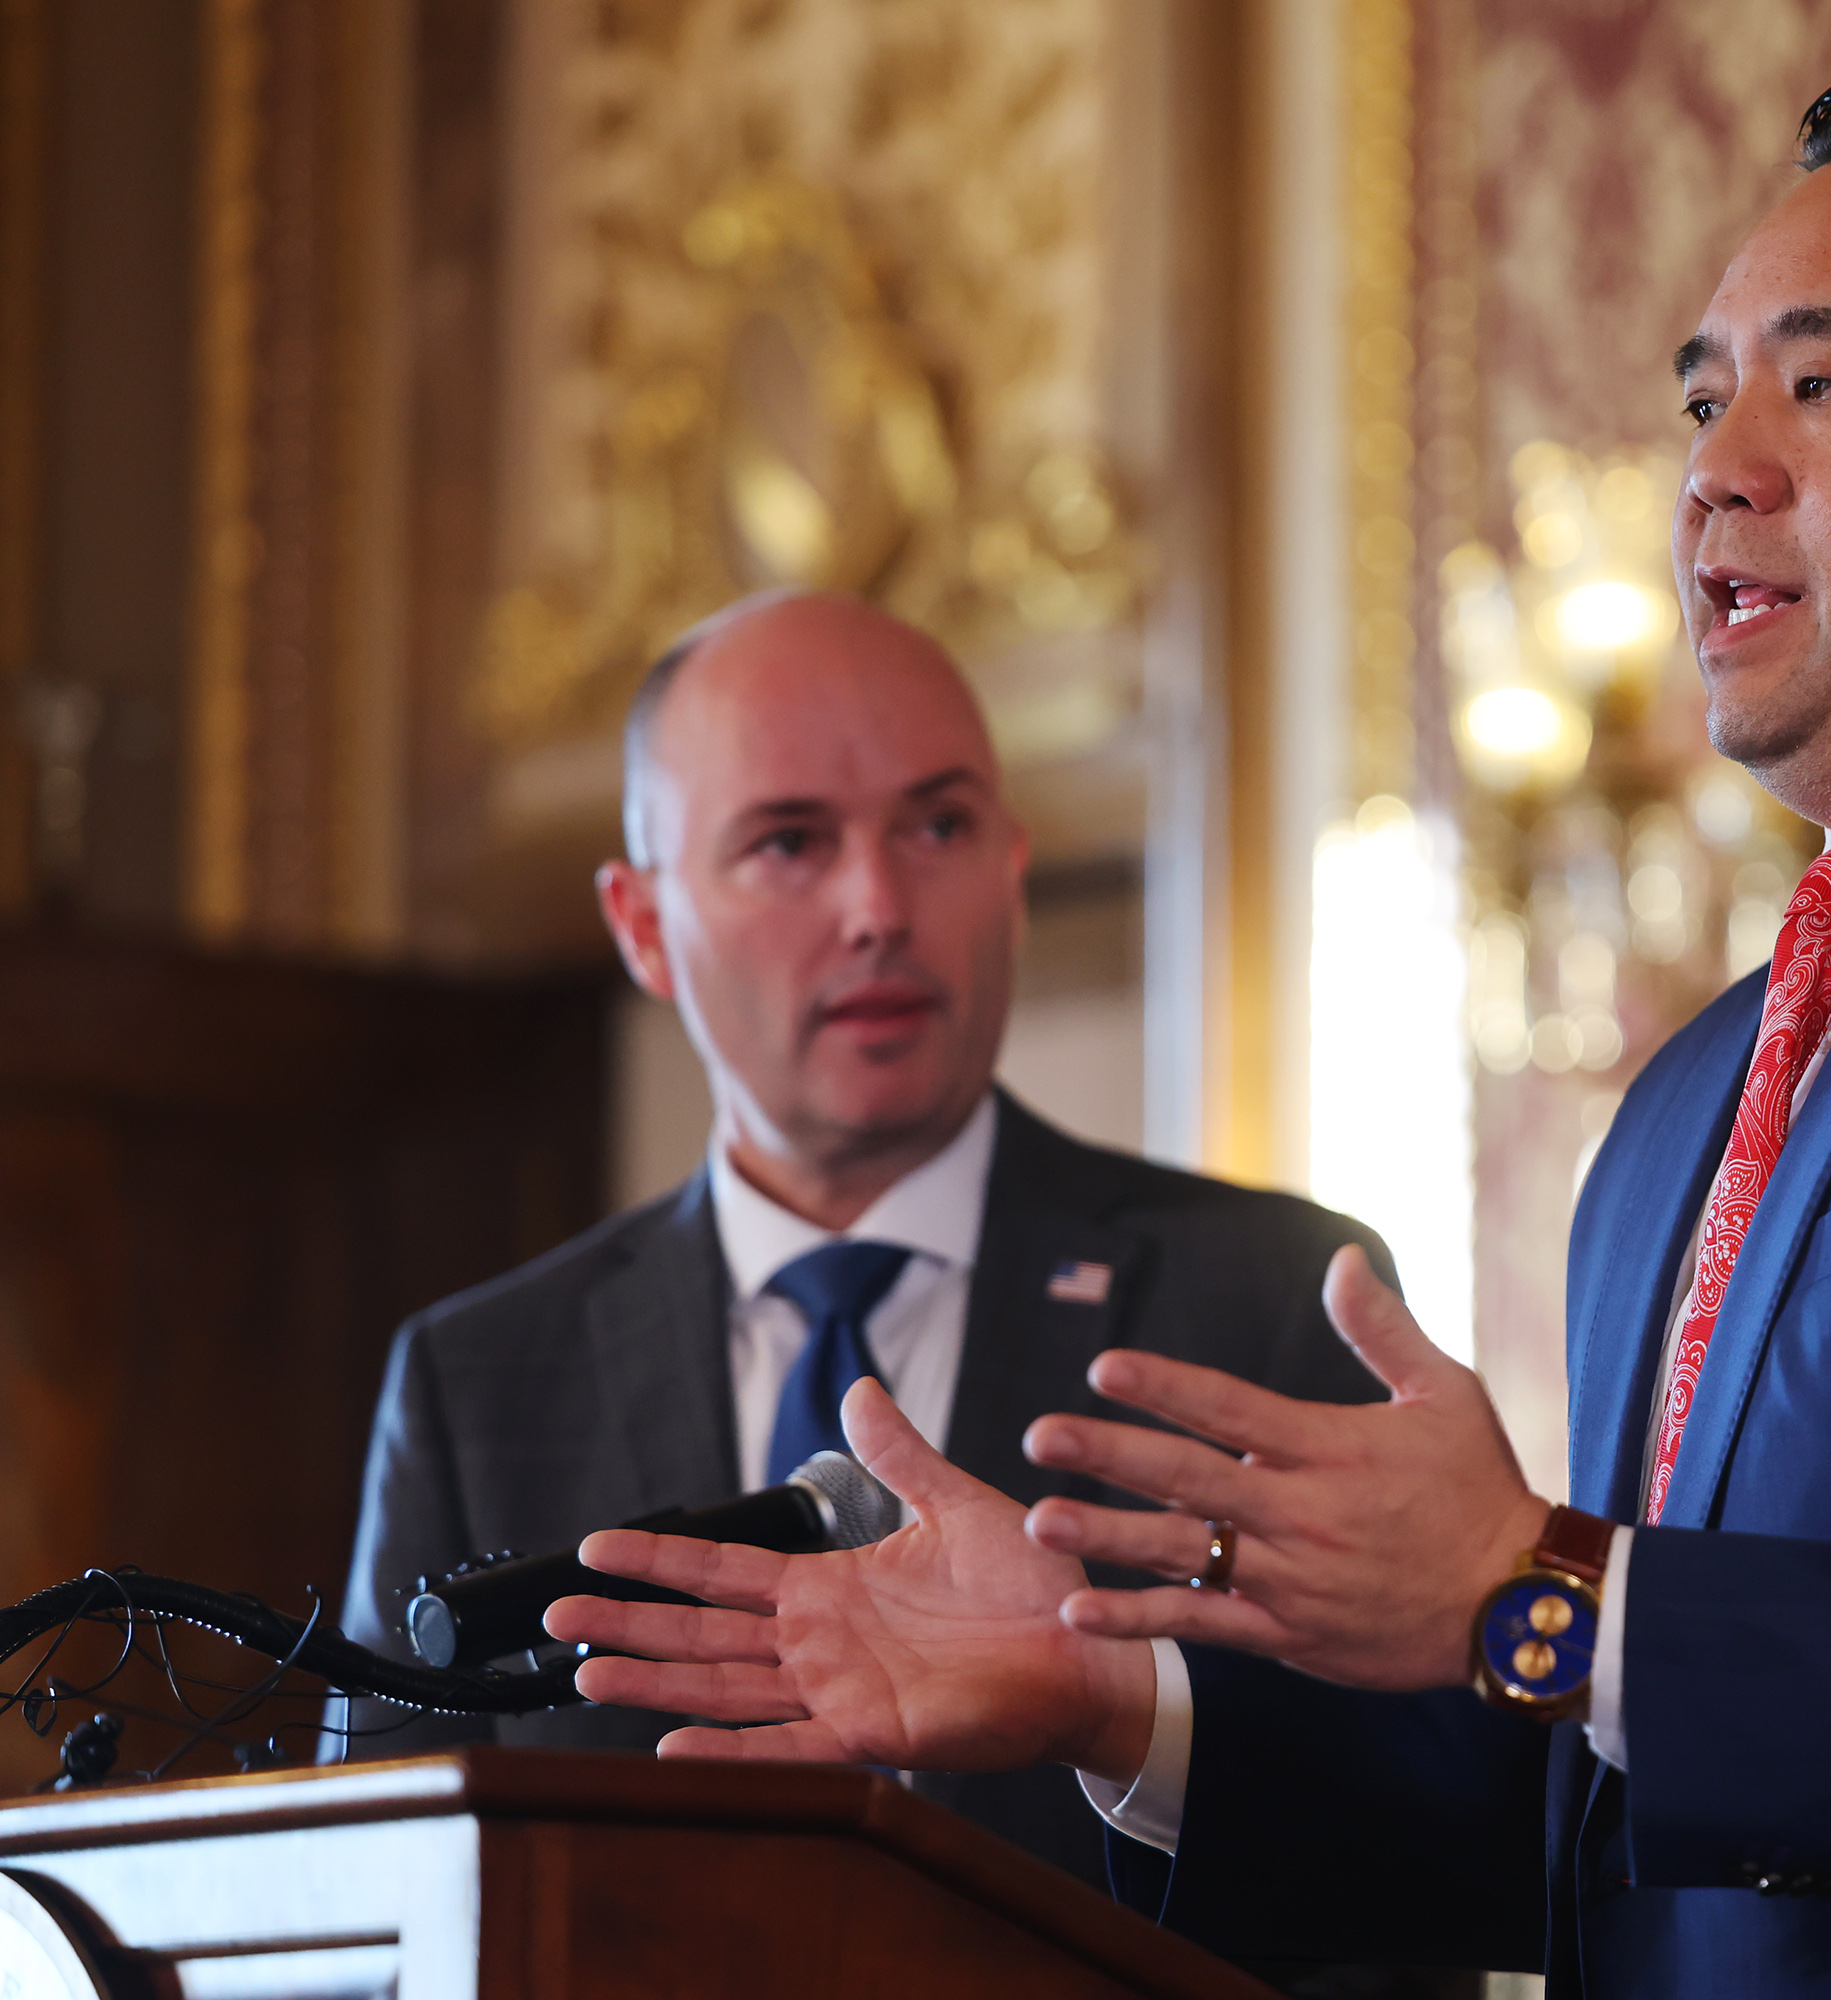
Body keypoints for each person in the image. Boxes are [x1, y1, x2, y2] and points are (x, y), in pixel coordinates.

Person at [548, 73, 1831, 1997]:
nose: (1713, 473)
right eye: (1705, 398)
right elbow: (1622, 1817)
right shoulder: (1696, 1094)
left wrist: (1547, 1584)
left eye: (1822, 388)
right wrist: (1125, 1697)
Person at [331, 589, 1405, 1906]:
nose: (879, 906)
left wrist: (1121, 1718)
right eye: (789, 843)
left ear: (1010, 862)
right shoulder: (481, 1380)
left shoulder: (1274, 1301)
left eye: (939, 825)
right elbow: (376, 1910)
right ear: (644, 926)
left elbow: (1405, 1870)